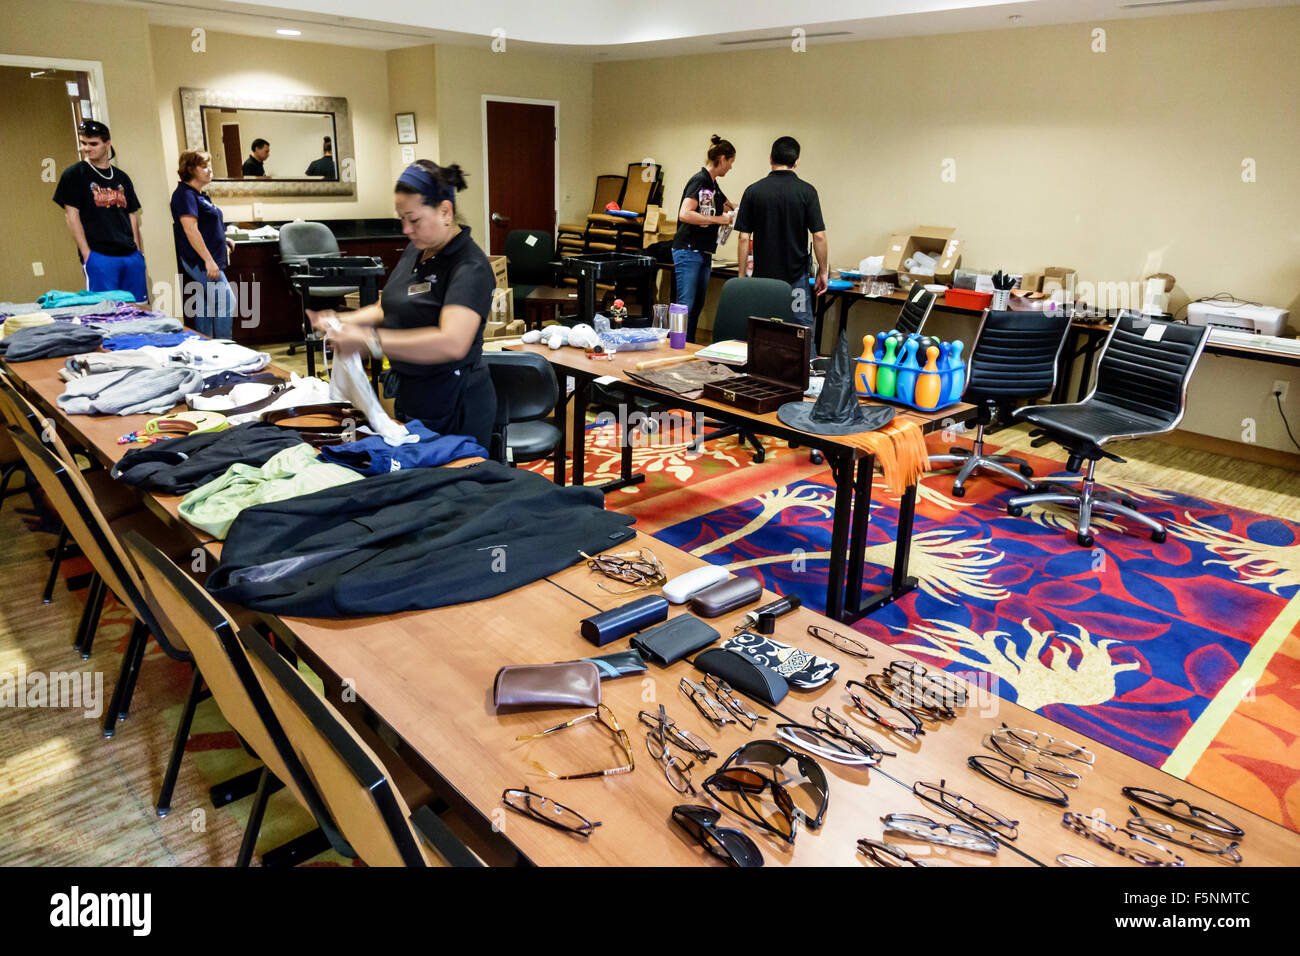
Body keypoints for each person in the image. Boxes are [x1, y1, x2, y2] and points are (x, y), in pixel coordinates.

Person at [308, 160, 497, 448]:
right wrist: (344, 320)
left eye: (413, 219)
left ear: (445, 211)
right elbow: (391, 306)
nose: (406, 229)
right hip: (413, 391)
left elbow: (452, 342)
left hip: (454, 400)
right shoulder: (417, 249)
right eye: (401, 219)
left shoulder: (469, 267)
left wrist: (369, 341)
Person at [734, 135, 828, 330]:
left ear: (770, 158)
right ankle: (806, 362)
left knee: (762, 327)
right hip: (796, 278)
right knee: (801, 328)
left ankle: (759, 362)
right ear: (796, 162)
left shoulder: (753, 191)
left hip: (763, 279)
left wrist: (741, 275)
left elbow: (744, 237)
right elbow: (819, 236)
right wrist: (823, 271)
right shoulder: (807, 192)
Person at [52, 120, 148, 301]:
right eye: (83, 143)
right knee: (106, 313)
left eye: (93, 143)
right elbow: (72, 216)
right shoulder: (74, 175)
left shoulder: (122, 177)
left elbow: (131, 215)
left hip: (130, 256)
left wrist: (138, 253)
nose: (87, 148)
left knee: (139, 309)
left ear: (107, 144)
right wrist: (87, 254)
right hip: (100, 256)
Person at [671, 134, 735, 343]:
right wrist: (719, 219)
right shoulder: (699, 180)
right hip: (688, 250)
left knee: (697, 305)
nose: (731, 168)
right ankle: (677, 346)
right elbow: (685, 214)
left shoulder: (713, 184)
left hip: (704, 251)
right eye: (731, 162)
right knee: (686, 304)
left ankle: (688, 346)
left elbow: (730, 205)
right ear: (722, 159)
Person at [170, 150, 237, 338]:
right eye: (204, 166)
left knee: (205, 306)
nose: (209, 170)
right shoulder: (184, 195)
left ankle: (204, 349)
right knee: (225, 302)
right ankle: (226, 350)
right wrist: (208, 260)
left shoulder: (198, 194)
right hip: (200, 260)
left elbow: (206, 226)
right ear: (190, 169)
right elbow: (190, 230)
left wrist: (224, 239)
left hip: (206, 258)